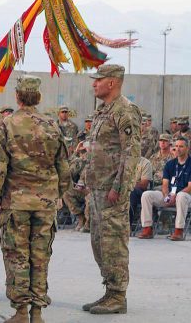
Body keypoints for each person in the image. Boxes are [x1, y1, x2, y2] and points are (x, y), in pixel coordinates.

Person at [0, 75, 70, 323]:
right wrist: (59, 194)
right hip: (45, 205)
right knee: (40, 256)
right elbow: (63, 167)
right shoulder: (52, 125)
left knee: (17, 256)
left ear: (17, 96)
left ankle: (21, 311)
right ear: (39, 97)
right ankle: (38, 312)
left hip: (17, 203)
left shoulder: (7, 124)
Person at [82, 64, 141, 315]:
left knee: (113, 242)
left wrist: (120, 187)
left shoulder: (125, 111)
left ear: (112, 83)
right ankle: (109, 290)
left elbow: (131, 153)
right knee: (99, 243)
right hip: (97, 188)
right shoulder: (103, 111)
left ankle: (118, 296)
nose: (94, 84)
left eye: (98, 80)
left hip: (112, 191)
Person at [138, 137, 191, 241]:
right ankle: (147, 228)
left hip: (186, 196)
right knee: (147, 195)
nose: (178, 149)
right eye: (176, 146)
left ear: (187, 148)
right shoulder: (170, 164)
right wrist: (167, 196)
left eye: (181, 146)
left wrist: (175, 195)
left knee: (181, 196)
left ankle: (178, 230)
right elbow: (165, 184)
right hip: (171, 195)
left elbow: (189, 187)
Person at [62, 142, 89, 232]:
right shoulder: (82, 162)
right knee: (66, 193)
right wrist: (80, 185)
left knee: (90, 197)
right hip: (85, 190)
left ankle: (88, 223)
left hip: (97, 191)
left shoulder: (99, 161)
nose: (83, 154)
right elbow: (70, 173)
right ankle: (80, 217)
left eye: (85, 151)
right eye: (81, 152)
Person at [129, 157, 152, 227]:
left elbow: (144, 185)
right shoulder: (122, 161)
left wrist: (128, 185)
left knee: (132, 192)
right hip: (125, 189)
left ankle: (128, 225)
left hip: (140, 192)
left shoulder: (145, 163)